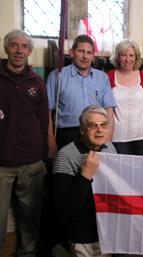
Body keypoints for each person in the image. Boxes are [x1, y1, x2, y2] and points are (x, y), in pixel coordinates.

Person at [0, 29, 48, 256]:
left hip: (31, 162)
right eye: (14, 45)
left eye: (24, 47)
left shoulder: (37, 82)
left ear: (29, 51)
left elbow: (43, 120)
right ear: (6, 48)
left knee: (30, 217)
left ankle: (27, 254)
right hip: (2, 164)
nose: (19, 51)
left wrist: (44, 155)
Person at [53, 105, 116, 257]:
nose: (99, 130)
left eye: (103, 125)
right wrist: (85, 175)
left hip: (108, 233)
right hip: (82, 235)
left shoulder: (110, 148)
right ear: (82, 130)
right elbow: (63, 208)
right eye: (93, 126)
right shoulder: (66, 155)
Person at [46, 34, 116, 156]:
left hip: (96, 133)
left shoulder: (102, 78)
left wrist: (107, 141)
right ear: (72, 52)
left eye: (89, 52)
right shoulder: (57, 76)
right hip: (67, 135)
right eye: (81, 51)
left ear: (93, 56)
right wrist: (50, 143)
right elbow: (46, 113)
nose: (85, 56)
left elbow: (109, 111)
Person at [107, 39, 143, 156]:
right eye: (123, 55)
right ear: (117, 56)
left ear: (136, 57)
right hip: (117, 139)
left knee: (142, 173)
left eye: (131, 55)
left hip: (141, 139)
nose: (127, 59)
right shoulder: (109, 76)